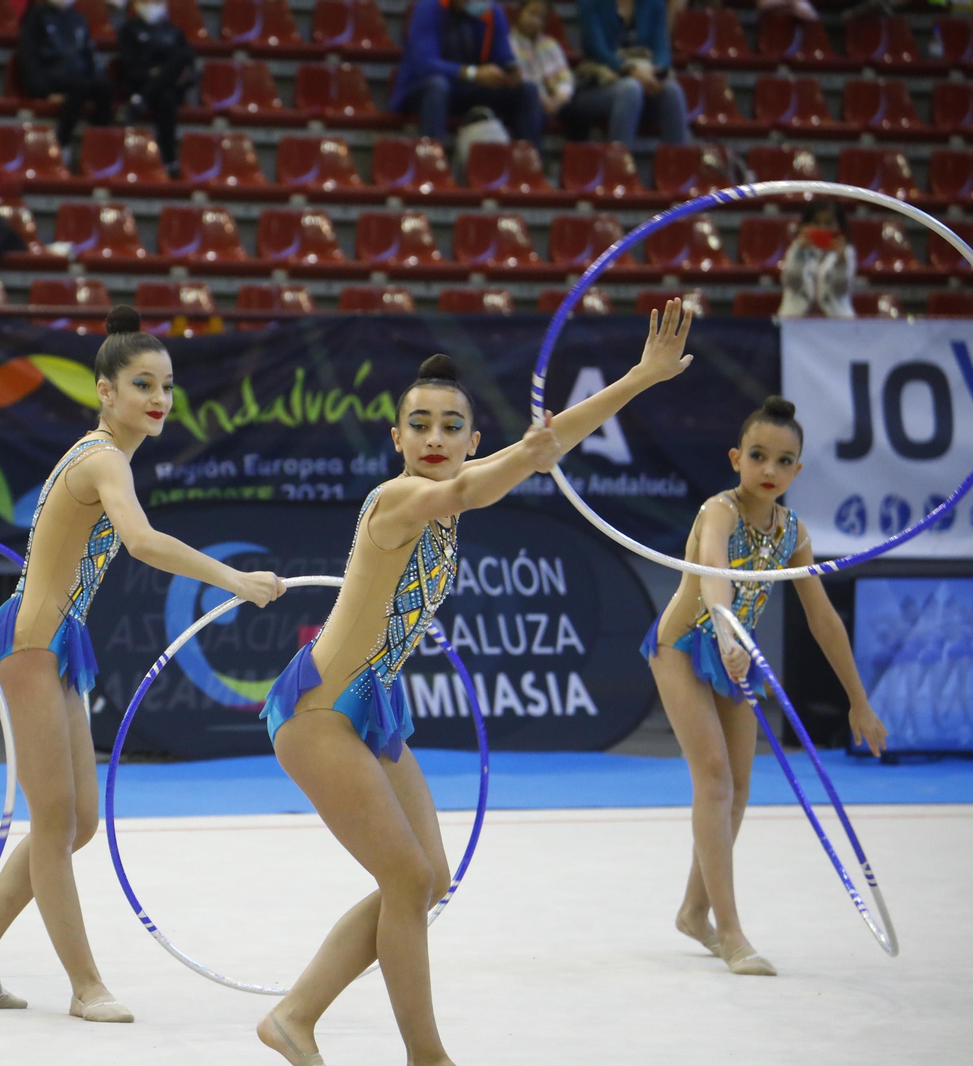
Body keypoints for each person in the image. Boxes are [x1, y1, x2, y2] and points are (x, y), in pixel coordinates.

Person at [255, 300, 697, 1066]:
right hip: (320, 712)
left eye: (450, 426)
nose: (433, 438)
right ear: (395, 438)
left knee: (428, 880)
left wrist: (639, 379)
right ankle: (428, 1057)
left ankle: (294, 1016)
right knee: (406, 874)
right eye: (418, 424)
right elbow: (472, 487)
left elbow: (537, 453)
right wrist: (562, 430)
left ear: (472, 437)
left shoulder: (456, 491)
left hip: (371, 708)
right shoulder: (398, 500)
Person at [0, 306, 285, 1021]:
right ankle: (84, 984)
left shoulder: (111, 458)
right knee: (55, 820)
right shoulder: (101, 457)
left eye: (166, 384)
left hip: (57, 643)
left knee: (79, 822)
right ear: (105, 390)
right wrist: (235, 580)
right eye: (141, 384)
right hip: (28, 644)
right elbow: (141, 541)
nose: (159, 398)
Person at [642, 396, 888, 978]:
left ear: (798, 471)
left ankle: (694, 911)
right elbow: (712, 574)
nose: (769, 470)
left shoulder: (794, 532)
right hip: (684, 646)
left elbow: (823, 619)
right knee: (715, 778)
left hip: (736, 653)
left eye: (783, 461)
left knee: (742, 789)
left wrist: (859, 699)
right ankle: (730, 933)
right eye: (758, 456)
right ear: (736, 458)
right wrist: (727, 635)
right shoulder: (719, 511)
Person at [389, 0, 544, 149]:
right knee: (437, 86)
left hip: (470, 90)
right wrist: (473, 73)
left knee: (527, 91)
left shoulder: (493, 11)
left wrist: (510, 72)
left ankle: (530, 165)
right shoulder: (429, 7)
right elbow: (425, 64)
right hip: (424, 90)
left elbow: (504, 56)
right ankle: (432, 165)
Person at [570, 0, 689, 147]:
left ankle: (677, 165)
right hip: (597, 84)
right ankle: (618, 166)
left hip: (645, 78)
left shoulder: (654, 3)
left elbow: (662, 49)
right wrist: (633, 70)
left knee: (672, 90)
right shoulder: (590, 3)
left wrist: (655, 73)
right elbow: (596, 49)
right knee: (630, 89)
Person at [18, 0, 114, 157]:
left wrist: (96, 77)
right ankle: (63, 142)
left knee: (105, 87)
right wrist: (41, 91)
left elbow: (88, 53)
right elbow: (28, 56)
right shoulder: (36, 16)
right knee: (80, 86)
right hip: (50, 74)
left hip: (77, 75)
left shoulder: (78, 18)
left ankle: (97, 143)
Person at [115, 0, 196, 175]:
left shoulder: (174, 31)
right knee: (165, 96)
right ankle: (169, 160)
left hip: (172, 87)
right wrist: (152, 74)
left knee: (180, 59)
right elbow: (128, 68)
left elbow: (188, 67)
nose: (153, 4)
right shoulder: (129, 30)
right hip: (141, 83)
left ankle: (138, 103)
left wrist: (169, 75)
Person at [778, 201, 855, 319]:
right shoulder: (797, 248)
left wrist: (841, 261)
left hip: (837, 322)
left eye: (828, 223)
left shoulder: (846, 252)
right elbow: (792, 281)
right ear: (806, 225)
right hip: (796, 321)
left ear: (839, 226)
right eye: (816, 223)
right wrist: (799, 252)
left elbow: (841, 288)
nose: (822, 228)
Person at [508, 0, 573, 130]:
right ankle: (532, 149)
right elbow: (521, 79)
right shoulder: (508, 43)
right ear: (520, 13)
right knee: (530, 102)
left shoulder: (550, 44)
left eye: (540, 18)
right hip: (526, 98)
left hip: (555, 100)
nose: (535, 21)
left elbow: (565, 77)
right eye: (531, 14)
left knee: (579, 110)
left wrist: (559, 98)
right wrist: (543, 99)